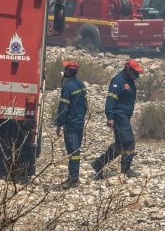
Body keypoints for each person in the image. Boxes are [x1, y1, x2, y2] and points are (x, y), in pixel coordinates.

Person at [91, 59, 143, 179]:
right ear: (128, 70)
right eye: (135, 72)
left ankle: (98, 163)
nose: (137, 75)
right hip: (119, 116)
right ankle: (126, 169)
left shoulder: (129, 80)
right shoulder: (118, 81)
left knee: (120, 145)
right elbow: (111, 99)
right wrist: (109, 117)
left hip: (125, 115)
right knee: (129, 142)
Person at [55, 59, 87, 189]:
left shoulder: (67, 87)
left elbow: (63, 107)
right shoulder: (81, 84)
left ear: (68, 71)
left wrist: (59, 124)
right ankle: (74, 178)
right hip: (79, 122)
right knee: (76, 151)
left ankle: (73, 180)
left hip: (71, 124)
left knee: (73, 153)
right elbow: (86, 105)